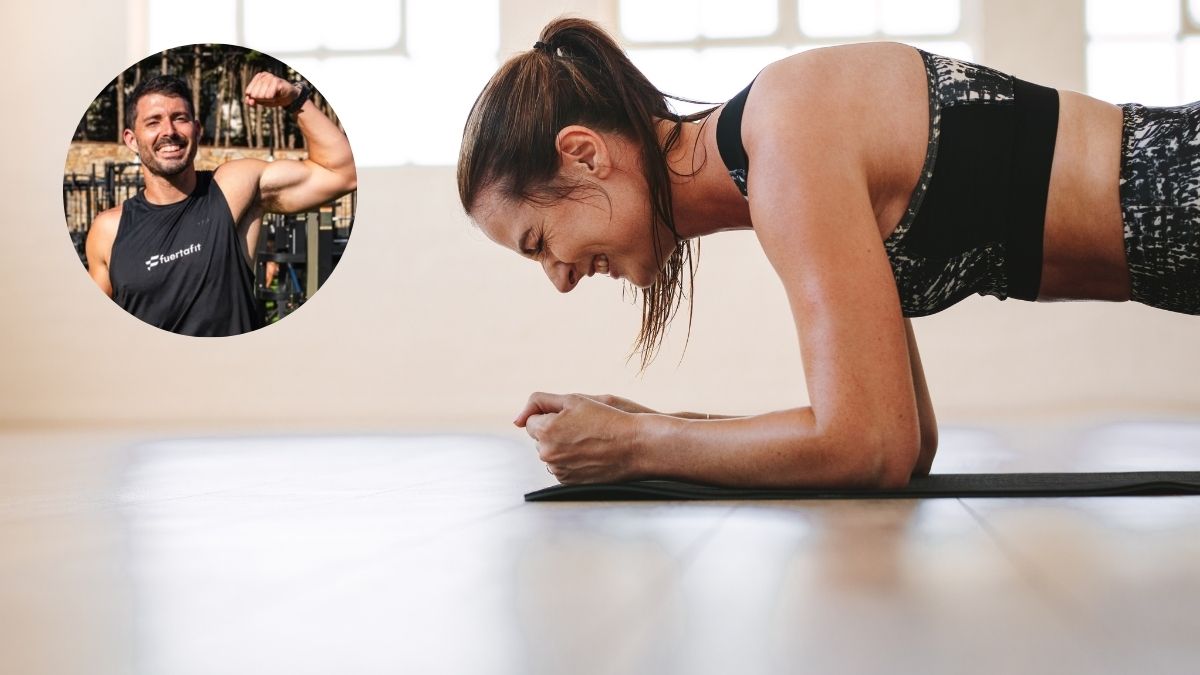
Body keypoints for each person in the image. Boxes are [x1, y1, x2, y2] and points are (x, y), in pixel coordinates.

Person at [458, 18, 1200, 488]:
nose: (559, 279)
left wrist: (639, 444)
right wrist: (649, 427)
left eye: (540, 243)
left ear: (584, 154)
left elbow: (870, 445)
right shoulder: (771, 161)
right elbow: (907, 436)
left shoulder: (786, 132)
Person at [85, 72, 357, 336]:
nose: (169, 131)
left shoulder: (232, 188)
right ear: (132, 140)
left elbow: (343, 173)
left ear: (197, 130)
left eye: (179, 118)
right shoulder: (109, 229)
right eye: (153, 122)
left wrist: (295, 99)